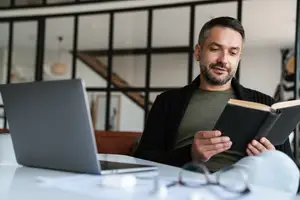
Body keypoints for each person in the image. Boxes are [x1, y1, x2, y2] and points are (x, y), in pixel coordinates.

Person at [133, 16, 296, 172]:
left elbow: (290, 169)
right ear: (198, 52)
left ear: (239, 57)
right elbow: (143, 160)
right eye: (215, 49)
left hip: (247, 188)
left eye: (232, 53)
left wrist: (271, 160)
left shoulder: (265, 104)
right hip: (188, 187)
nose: (223, 59)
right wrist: (190, 154)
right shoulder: (167, 101)